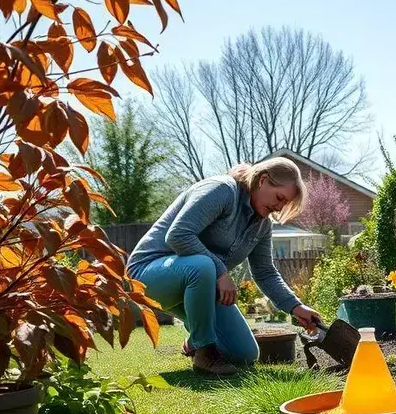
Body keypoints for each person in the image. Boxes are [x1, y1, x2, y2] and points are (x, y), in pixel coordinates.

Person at [126, 157, 322, 375]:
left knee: (245, 354)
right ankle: (204, 351)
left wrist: (296, 307)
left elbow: (265, 273)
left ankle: (196, 341)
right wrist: (221, 271)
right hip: (148, 275)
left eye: (284, 204)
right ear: (263, 180)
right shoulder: (222, 190)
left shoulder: (262, 226)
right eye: (279, 197)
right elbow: (178, 235)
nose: (278, 207)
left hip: (196, 284)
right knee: (202, 266)